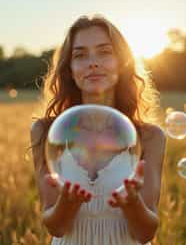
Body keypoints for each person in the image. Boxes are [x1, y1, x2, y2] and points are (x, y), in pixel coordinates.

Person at [30, 14, 166, 245]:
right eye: (80, 55)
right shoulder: (46, 130)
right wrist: (67, 204)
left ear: (122, 63)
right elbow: (56, 227)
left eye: (104, 52)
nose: (93, 62)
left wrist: (132, 203)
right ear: (70, 69)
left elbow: (146, 234)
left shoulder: (149, 136)